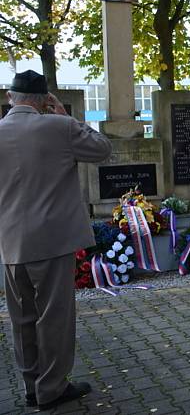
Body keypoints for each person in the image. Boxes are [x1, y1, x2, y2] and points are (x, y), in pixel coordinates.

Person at [0, 70, 112, 410]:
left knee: (21, 319)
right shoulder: (58, 127)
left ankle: (31, 385)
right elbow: (102, 149)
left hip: (10, 242)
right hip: (51, 241)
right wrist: (66, 115)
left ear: (10, 97)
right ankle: (51, 388)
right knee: (55, 318)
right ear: (44, 100)